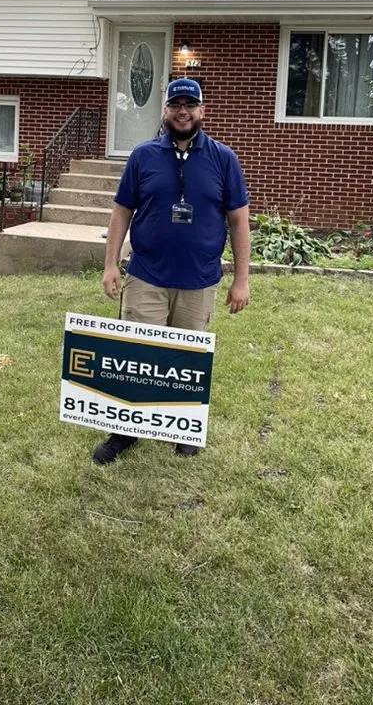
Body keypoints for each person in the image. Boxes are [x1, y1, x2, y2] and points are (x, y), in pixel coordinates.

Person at [94, 77, 250, 465]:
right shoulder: (142, 156)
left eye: (190, 105)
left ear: (202, 111)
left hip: (198, 280)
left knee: (186, 360)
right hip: (147, 276)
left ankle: (182, 426)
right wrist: (110, 263)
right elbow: (120, 213)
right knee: (137, 356)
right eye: (176, 105)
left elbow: (239, 220)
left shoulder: (223, 158)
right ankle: (125, 431)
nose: (183, 112)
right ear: (165, 111)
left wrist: (242, 279)